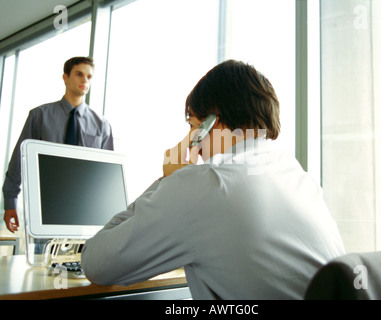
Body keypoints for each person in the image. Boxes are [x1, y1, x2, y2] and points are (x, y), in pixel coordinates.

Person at [81, 60, 345, 299]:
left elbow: (96, 263)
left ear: (212, 121)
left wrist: (167, 179)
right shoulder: (296, 175)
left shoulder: (204, 185)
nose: (191, 135)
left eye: (193, 125)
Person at [2, 56, 114, 234]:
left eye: (89, 76)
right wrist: (10, 202)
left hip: (85, 210)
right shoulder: (39, 116)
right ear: (65, 77)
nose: (85, 80)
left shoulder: (102, 125)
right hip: (43, 207)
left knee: (80, 261)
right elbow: (18, 161)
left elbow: (106, 174)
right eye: (79, 74)